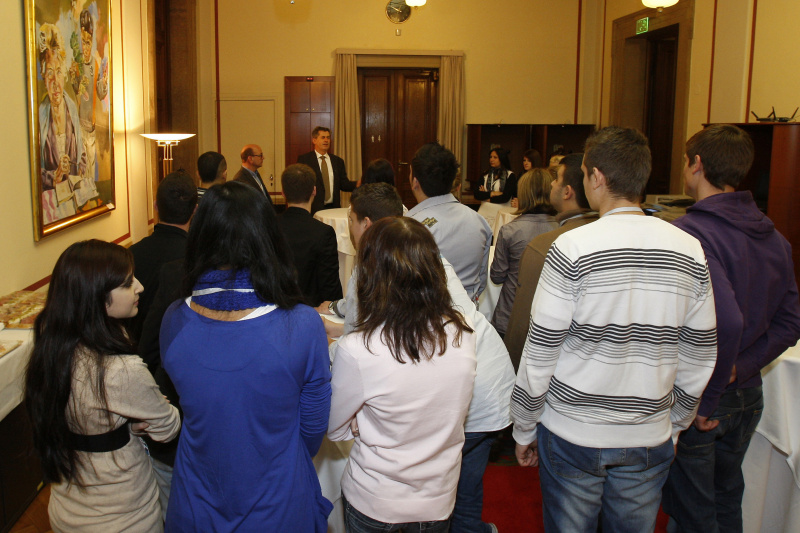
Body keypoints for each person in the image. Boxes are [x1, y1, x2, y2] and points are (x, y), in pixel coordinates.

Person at [511, 127, 718, 532]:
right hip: (648, 432)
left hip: (573, 431)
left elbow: (541, 351)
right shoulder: (689, 248)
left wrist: (523, 425)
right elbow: (700, 352)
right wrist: (676, 422)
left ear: (596, 177)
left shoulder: (571, 247)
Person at [319, 183, 515, 533]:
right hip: (475, 403)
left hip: (380, 494)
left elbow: (338, 420)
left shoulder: (365, 341)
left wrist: (367, 418)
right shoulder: (453, 322)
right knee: (465, 492)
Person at [159, 181, 332, 532]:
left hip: (196, 501)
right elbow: (312, 430)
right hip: (278, 503)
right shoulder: (301, 324)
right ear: (267, 235)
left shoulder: (174, 319)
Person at [662, 124, 800, 533]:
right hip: (748, 394)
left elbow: (729, 320)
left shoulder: (691, 234)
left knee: (693, 511)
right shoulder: (774, 236)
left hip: (706, 395)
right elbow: (790, 321)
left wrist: (710, 395)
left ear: (696, 164)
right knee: (725, 498)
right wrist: (744, 365)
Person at [328, 216, 477, 532]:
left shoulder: (358, 349)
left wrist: (363, 421)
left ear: (370, 276)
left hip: (374, 498)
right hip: (438, 498)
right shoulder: (462, 334)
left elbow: (335, 429)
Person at [25, 239, 180, 532]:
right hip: (123, 515)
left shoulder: (51, 350)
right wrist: (150, 412)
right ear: (96, 296)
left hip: (67, 507)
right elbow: (167, 427)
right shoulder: (120, 370)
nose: (139, 287)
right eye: (127, 283)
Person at [503, 153, 598, 370]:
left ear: (567, 192)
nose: (551, 183)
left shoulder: (544, 247)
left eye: (556, 179)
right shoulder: (613, 238)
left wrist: (512, 369)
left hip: (556, 371)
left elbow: (523, 326)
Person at [408, 142, 492, 302]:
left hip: (425, 313)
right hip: (468, 312)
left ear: (415, 182)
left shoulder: (408, 227)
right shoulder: (479, 221)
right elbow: (481, 281)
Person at [128, 170, 197, 343]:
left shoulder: (130, 255)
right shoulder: (198, 258)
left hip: (134, 346)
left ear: (156, 206)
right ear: (195, 210)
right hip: (179, 348)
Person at [489, 168, 558, 337]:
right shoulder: (562, 229)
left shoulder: (510, 230)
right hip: (550, 318)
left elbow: (497, 276)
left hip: (512, 315)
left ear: (523, 194)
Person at [38, 23, 87, 224]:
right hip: (50, 209)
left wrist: (77, 170)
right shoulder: (40, 115)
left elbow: (82, 156)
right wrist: (55, 176)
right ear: (43, 76)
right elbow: (34, 171)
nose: (55, 82)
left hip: (73, 205)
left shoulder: (71, 109)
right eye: (50, 72)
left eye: (58, 72)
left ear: (65, 74)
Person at [277, 163, 342, 307]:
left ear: (283, 193)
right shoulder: (324, 233)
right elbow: (330, 287)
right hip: (310, 310)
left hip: (272, 308)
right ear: (314, 191)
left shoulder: (268, 227)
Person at [69, 9, 109, 183]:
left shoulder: (95, 64)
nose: (85, 47)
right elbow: (75, 91)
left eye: (88, 42)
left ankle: (90, 189)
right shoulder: (76, 65)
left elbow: (101, 94)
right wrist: (75, 79)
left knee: (91, 166)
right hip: (78, 125)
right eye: (83, 42)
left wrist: (104, 83)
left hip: (91, 126)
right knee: (81, 165)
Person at [297, 126, 357, 213]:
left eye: (328, 138)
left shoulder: (338, 161)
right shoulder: (305, 160)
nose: (326, 140)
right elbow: (300, 184)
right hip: (313, 209)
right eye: (323, 137)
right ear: (314, 140)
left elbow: (344, 184)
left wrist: (359, 183)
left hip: (334, 208)